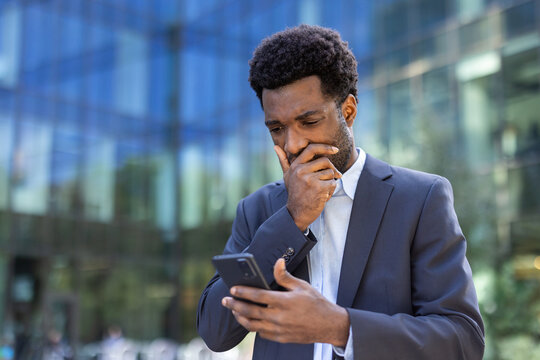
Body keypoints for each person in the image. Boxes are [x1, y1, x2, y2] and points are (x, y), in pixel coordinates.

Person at [197, 24, 485, 360]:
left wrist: (339, 327)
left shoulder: (420, 199)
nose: (292, 144)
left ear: (347, 112)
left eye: (309, 121)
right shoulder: (258, 209)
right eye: (277, 128)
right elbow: (216, 332)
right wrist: (291, 220)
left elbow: (462, 341)